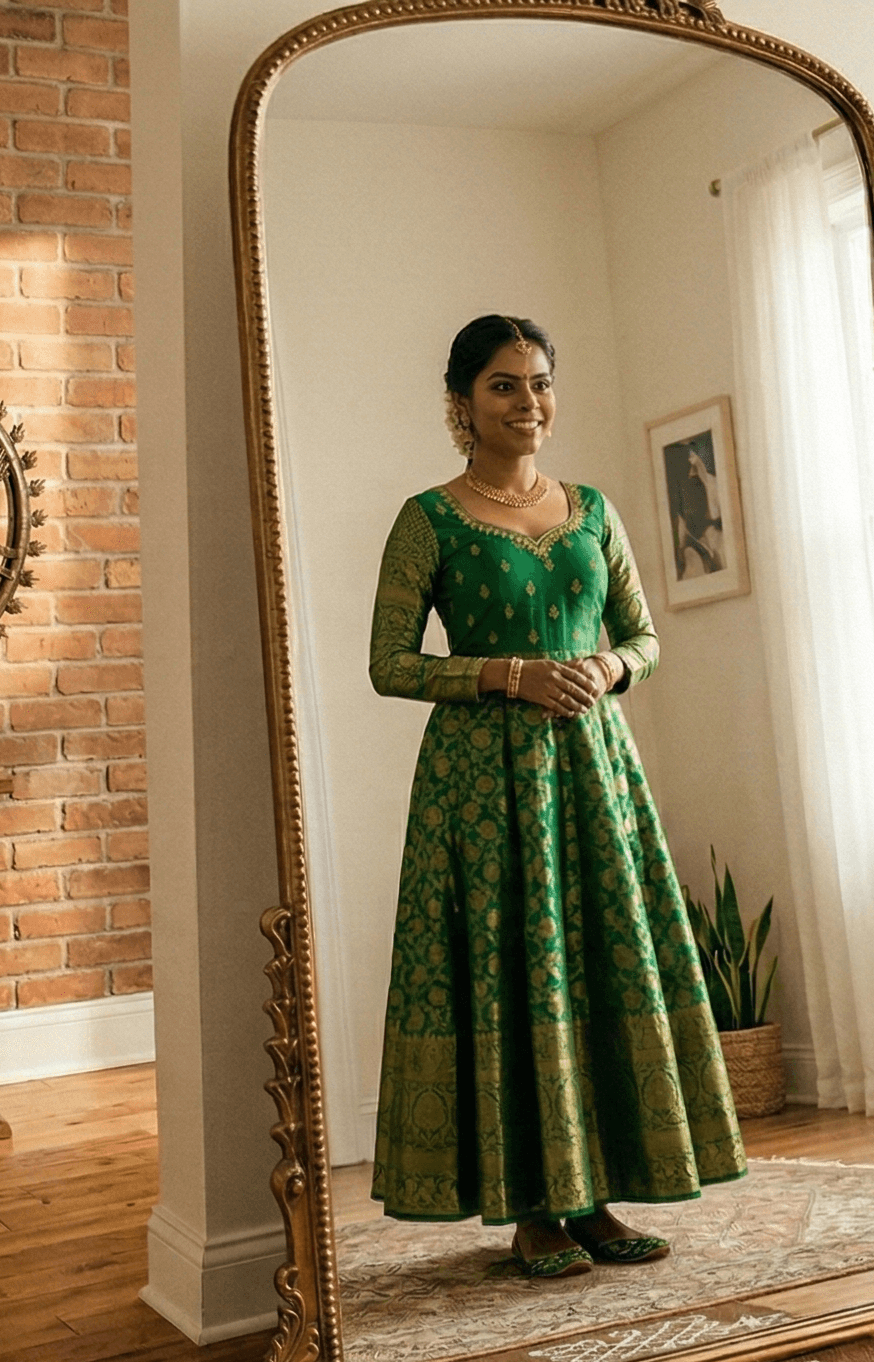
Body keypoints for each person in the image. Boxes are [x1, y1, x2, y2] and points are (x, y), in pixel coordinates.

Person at [365, 314, 746, 1279]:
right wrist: (506, 675)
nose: (527, 402)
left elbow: (646, 639)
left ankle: (600, 1197)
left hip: (591, 772)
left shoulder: (594, 509)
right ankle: (533, 1209)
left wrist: (608, 668)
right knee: (513, 971)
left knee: (596, 965)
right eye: (503, 385)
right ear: (462, 402)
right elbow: (390, 664)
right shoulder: (430, 518)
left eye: (538, 382)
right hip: (481, 788)